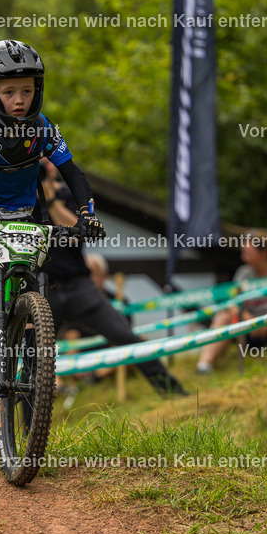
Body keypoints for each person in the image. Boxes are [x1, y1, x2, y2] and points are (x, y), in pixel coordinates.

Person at [0, 39, 105, 404]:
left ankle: (31, 364)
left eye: (27, 91)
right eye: (9, 91)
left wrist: (86, 214)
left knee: (33, 288)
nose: (19, 99)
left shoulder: (42, 129)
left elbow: (72, 173)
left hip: (23, 216)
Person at [41, 160, 186, 396]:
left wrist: (51, 200)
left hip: (79, 286)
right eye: (39, 159)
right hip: (43, 289)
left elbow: (77, 235)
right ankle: (27, 429)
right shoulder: (22, 200)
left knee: (126, 336)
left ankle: (172, 392)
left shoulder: (70, 194)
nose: (45, 164)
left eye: (48, 158)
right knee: (33, 357)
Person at [195, 233, 267, 373]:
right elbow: (233, 302)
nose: (243, 258)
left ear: (264, 253)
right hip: (250, 326)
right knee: (223, 316)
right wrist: (250, 320)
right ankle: (204, 366)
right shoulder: (244, 273)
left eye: (248, 253)